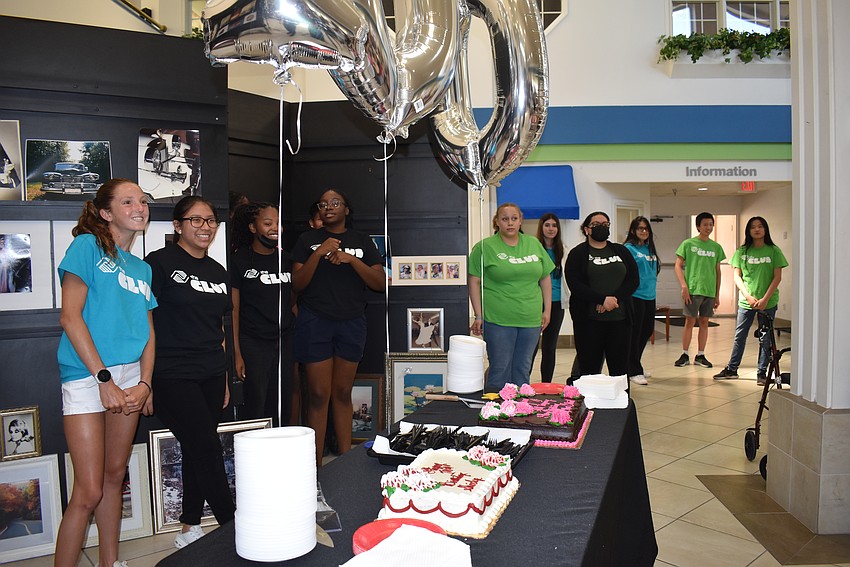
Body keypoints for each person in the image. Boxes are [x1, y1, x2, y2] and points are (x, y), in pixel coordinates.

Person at [54, 179, 156, 567]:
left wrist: (145, 382)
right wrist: (103, 380)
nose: (140, 207)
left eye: (144, 201)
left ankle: (111, 563)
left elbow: (148, 332)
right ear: (105, 211)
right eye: (128, 201)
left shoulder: (142, 268)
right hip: (86, 376)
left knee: (116, 476)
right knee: (89, 491)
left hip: (131, 377)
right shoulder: (86, 247)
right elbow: (70, 317)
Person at [145, 196, 235, 549]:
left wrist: (225, 378)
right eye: (195, 220)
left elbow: (220, 329)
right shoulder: (159, 263)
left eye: (210, 220)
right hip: (172, 371)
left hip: (211, 371)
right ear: (177, 225)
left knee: (199, 448)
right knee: (207, 448)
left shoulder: (218, 271)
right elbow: (145, 322)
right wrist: (145, 379)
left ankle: (188, 527)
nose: (205, 227)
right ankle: (235, 526)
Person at [291, 189, 385, 467]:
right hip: (315, 322)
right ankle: (314, 465)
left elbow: (379, 283)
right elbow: (297, 284)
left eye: (335, 203)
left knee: (343, 393)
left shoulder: (361, 240)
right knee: (318, 395)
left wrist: (351, 259)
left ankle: (345, 463)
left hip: (352, 322)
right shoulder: (307, 240)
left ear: (346, 209)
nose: (328, 207)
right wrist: (319, 253)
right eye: (323, 204)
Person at [468, 203, 554, 388]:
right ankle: (495, 413)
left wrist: (547, 310)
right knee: (500, 369)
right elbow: (474, 281)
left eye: (514, 218)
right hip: (498, 319)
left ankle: (518, 412)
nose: (510, 223)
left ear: (521, 220)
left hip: (530, 319)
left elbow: (545, 278)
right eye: (505, 219)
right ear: (497, 221)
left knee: (523, 369)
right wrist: (478, 315)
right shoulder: (484, 247)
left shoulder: (533, 243)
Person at [230, 202, 294, 425]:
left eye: (278, 223)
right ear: (252, 227)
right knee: (256, 405)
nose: (275, 228)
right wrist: (236, 353)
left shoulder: (287, 259)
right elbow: (234, 310)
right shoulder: (240, 260)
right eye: (268, 223)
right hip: (253, 343)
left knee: (283, 403)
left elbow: (293, 301)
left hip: (284, 342)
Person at [566, 211, 639, 382]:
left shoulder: (621, 251)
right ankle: (591, 407)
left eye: (605, 224)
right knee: (590, 371)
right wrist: (601, 299)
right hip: (589, 322)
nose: (602, 227)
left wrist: (613, 299)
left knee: (620, 371)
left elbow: (633, 279)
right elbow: (575, 284)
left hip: (620, 320)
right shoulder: (578, 254)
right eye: (597, 224)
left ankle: (621, 406)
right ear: (587, 230)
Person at [714, 216, 788, 384]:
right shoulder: (742, 252)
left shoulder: (774, 251)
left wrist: (764, 299)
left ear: (765, 229)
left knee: (765, 337)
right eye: (753, 227)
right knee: (740, 336)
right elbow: (736, 276)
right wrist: (748, 295)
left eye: (760, 226)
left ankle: (762, 373)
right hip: (746, 302)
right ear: (748, 230)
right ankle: (732, 369)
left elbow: (777, 277)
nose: (757, 229)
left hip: (768, 302)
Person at [673, 212, 726, 368]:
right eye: (705, 224)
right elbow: (677, 266)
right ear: (698, 226)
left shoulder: (716, 247)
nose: (708, 227)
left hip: (709, 291)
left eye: (711, 224)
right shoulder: (688, 244)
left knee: (704, 321)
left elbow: (718, 271)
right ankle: (684, 354)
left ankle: (701, 355)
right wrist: (684, 286)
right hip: (693, 289)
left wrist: (717, 294)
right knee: (690, 321)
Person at [531, 213, 567, 382]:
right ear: (541, 227)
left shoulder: (564, 250)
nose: (551, 228)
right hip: (535, 303)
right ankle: (524, 383)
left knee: (549, 347)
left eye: (554, 225)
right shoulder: (533, 249)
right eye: (547, 225)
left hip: (557, 304)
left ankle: (546, 384)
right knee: (530, 346)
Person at [624, 216, 660, 386]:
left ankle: (634, 364)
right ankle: (633, 370)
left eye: (646, 228)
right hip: (635, 296)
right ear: (633, 230)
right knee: (634, 334)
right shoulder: (628, 249)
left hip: (649, 296)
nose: (644, 231)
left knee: (646, 331)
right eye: (640, 228)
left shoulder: (649, 248)